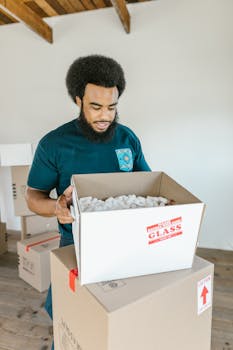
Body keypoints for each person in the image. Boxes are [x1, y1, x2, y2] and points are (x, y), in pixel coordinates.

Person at [26, 54, 151, 349]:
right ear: (78, 100)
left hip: (126, 247)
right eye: (96, 106)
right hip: (75, 250)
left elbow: (146, 185)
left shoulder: (127, 139)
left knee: (120, 323)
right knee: (72, 323)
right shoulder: (54, 144)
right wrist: (56, 207)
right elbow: (33, 197)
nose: (105, 115)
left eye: (112, 106)